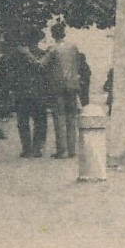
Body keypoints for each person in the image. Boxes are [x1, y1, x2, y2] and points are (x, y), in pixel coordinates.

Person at [0, 29, 48, 158]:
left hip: (21, 92)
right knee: (40, 121)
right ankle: (37, 148)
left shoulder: (12, 56)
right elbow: (47, 74)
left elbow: (1, 75)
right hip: (38, 93)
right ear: (37, 40)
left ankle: (27, 148)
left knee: (23, 121)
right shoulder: (42, 54)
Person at [42, 22, 83, 159]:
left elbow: (41, 64)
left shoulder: (52, 49)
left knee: (59, 118)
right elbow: (78, 64)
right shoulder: (73, 47)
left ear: (53, 34)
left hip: (57, 87)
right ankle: (72, 150)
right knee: (72, 117)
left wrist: (28, 54)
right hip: (72, 86)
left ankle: (62, 150)